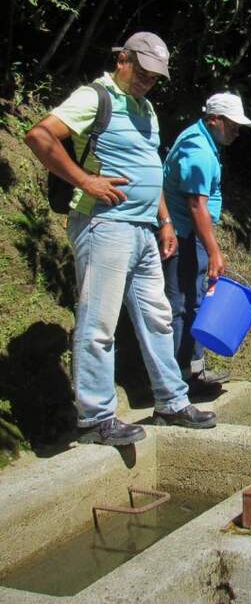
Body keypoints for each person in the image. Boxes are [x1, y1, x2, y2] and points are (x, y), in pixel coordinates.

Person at [24, 32, 216, 445]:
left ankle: (172, 402)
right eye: (143, 72)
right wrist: (85, 180)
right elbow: (40, 135)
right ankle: (95, 417)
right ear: (123, 59)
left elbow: (151, 165)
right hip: (104, 226)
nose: (148, 81)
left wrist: (164, 220)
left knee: (158, 318)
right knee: (99, 324)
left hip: (144, 230)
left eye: (154, 76)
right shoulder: (96, 97)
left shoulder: (146, 108)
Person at [162, 92, 251, 395]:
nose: (237, 131)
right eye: (232, 125)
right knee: (181, 306)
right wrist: (214, 251)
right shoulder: (199, 150)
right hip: (184, 237)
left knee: (196, 301)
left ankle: (192, 370)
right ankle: (178, 380)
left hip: (190, 236)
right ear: (214, 119)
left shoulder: (202, 141)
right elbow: (195, 205)